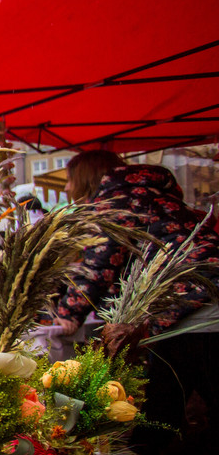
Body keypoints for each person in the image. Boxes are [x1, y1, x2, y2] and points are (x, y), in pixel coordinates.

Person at [53, 150, 219, 454]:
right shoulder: (148, 196)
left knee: (165, 399)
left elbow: (100, 263)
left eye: (69, 180)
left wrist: (69, 313)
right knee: (170, 397)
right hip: (200, 303)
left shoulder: (118, 200)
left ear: (86, 178)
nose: (66, 189)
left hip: (194, 309)